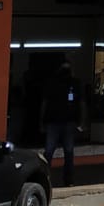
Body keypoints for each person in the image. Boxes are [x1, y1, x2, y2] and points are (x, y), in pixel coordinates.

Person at [41, 59, 85, 187]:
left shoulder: (74, 83)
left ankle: (67, 179)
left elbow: (82, 103)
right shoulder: (52, 83)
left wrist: (82, 120)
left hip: (66, 122)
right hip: (55, 122)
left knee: (67, 152)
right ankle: (45, 177)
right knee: (51, 152)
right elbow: (45, 103)